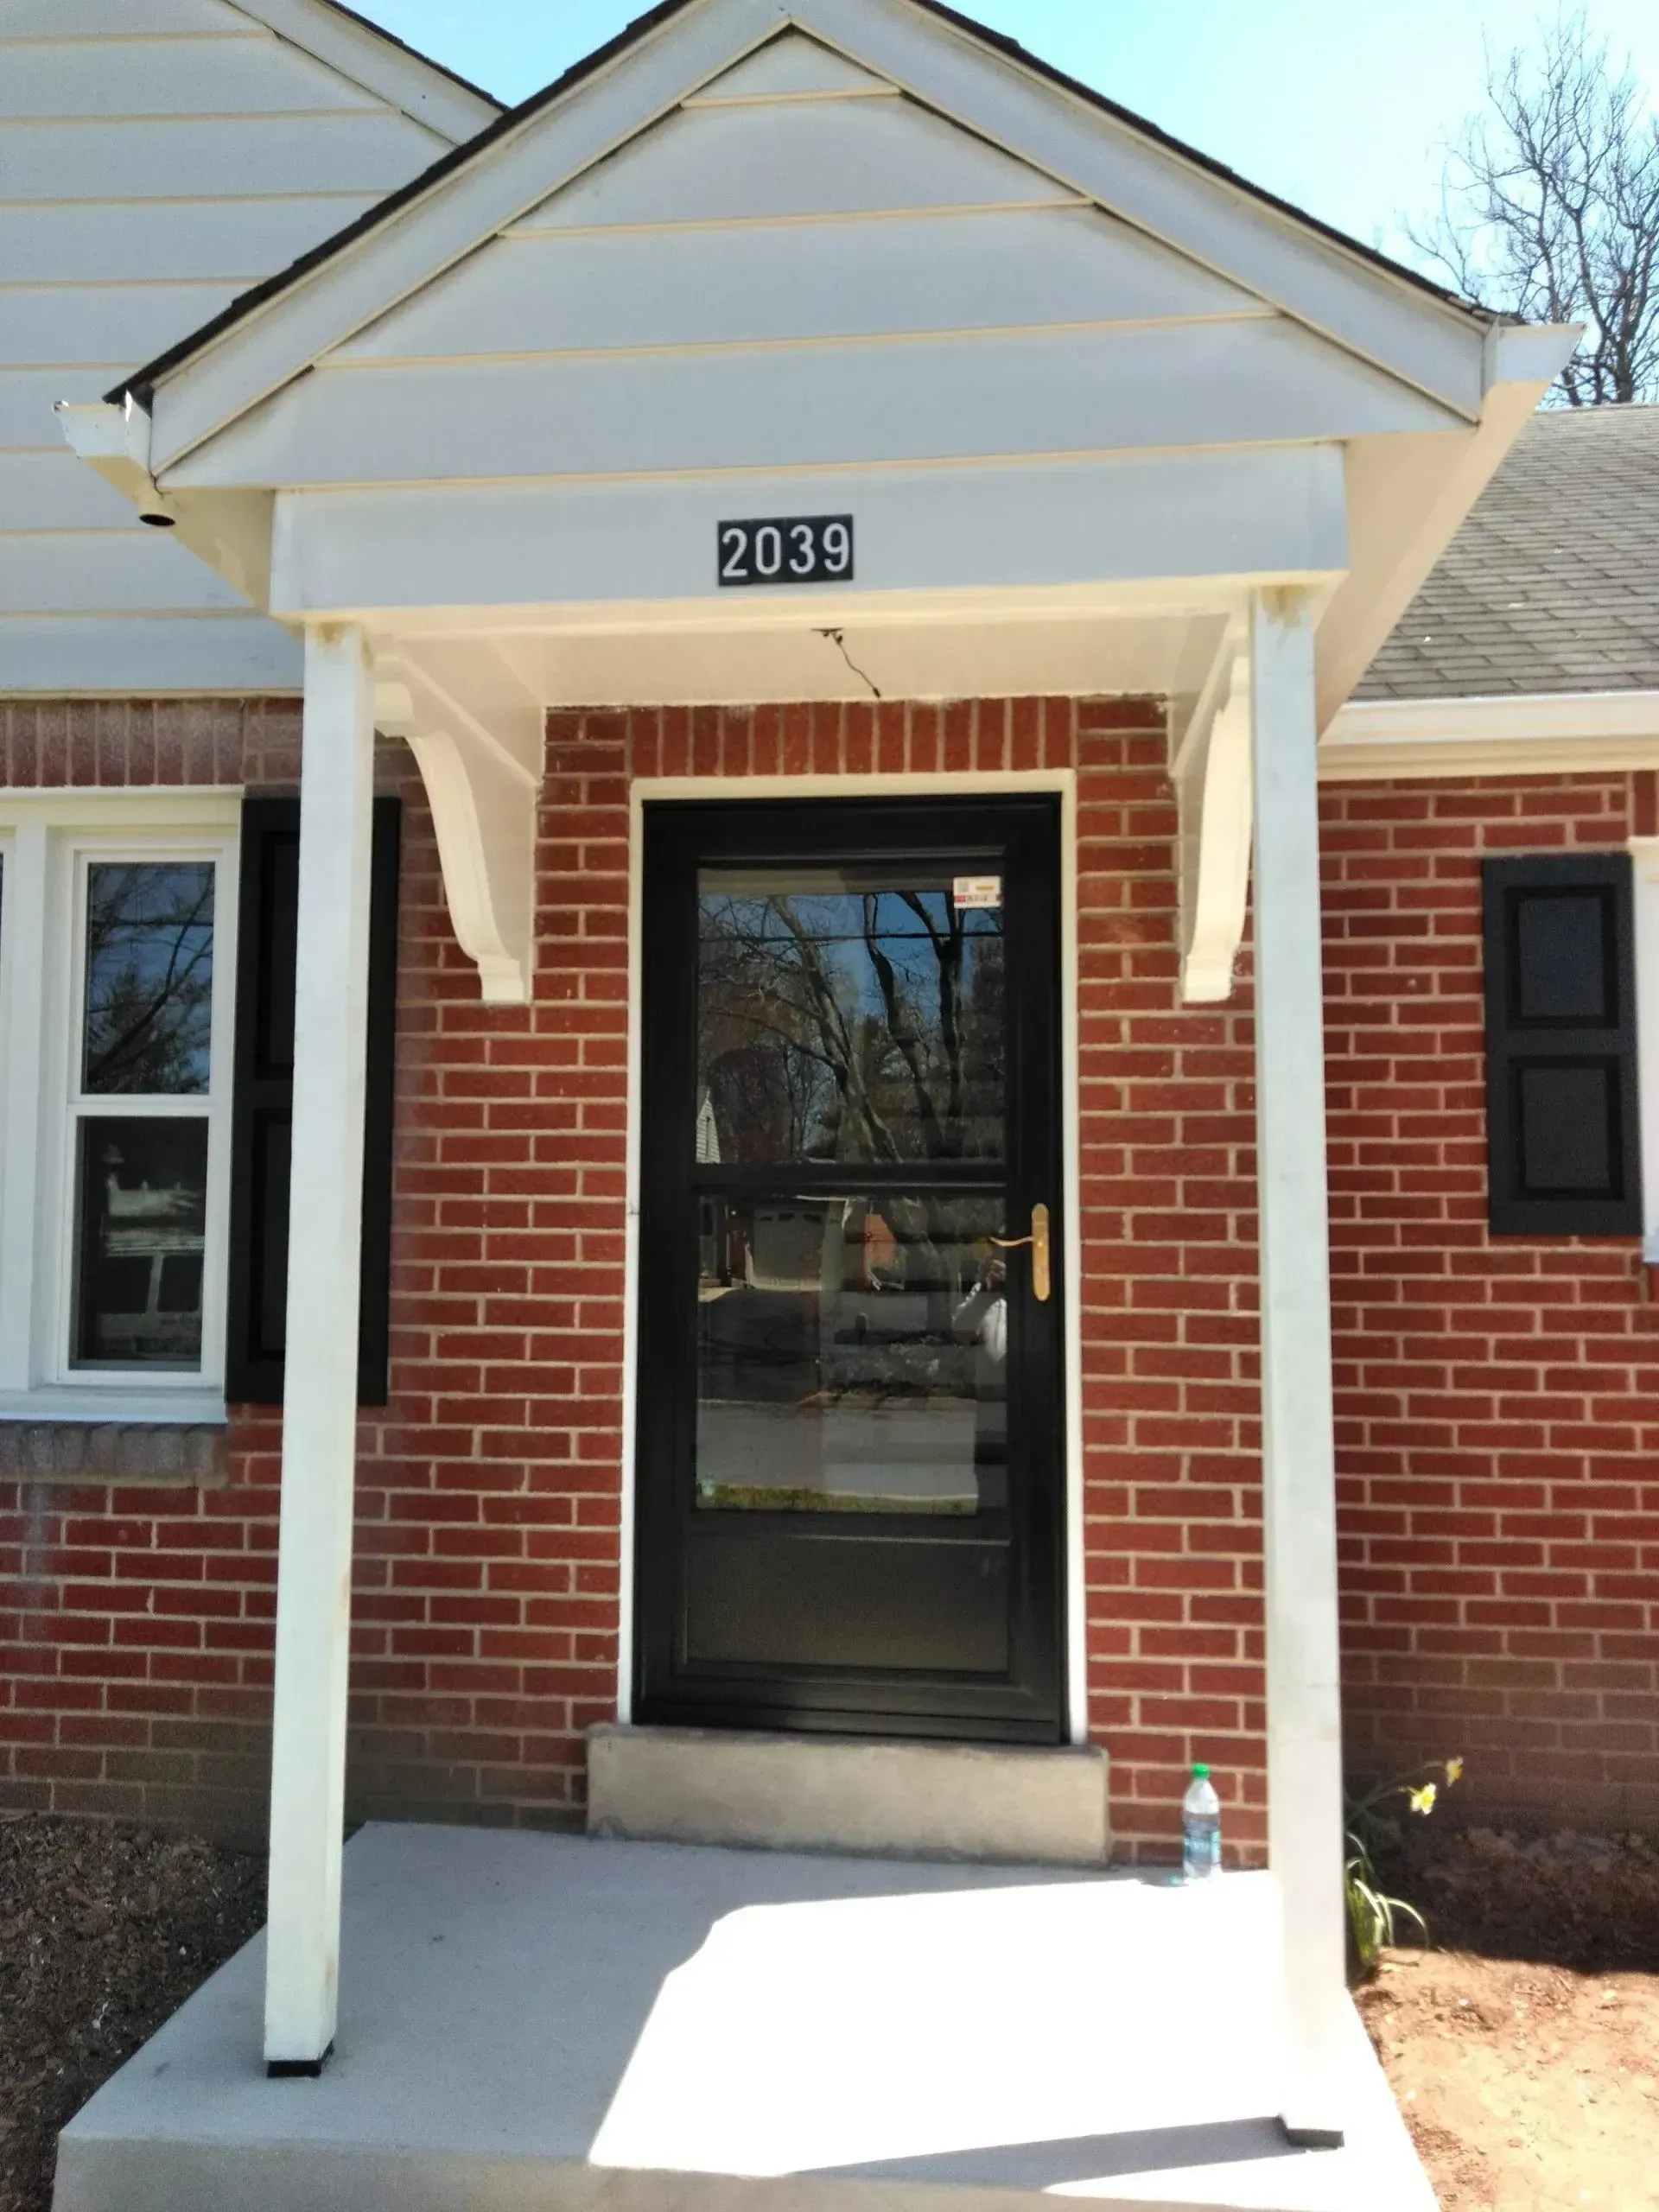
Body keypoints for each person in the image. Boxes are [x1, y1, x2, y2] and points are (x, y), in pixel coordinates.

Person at [953, 1251, 1008, 1510]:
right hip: (989, 1404)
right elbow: (960, 1330)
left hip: (1025, 1401)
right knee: (988, 1473)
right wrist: (987, 1294)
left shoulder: (1036, 1289)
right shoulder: (983, 1291)